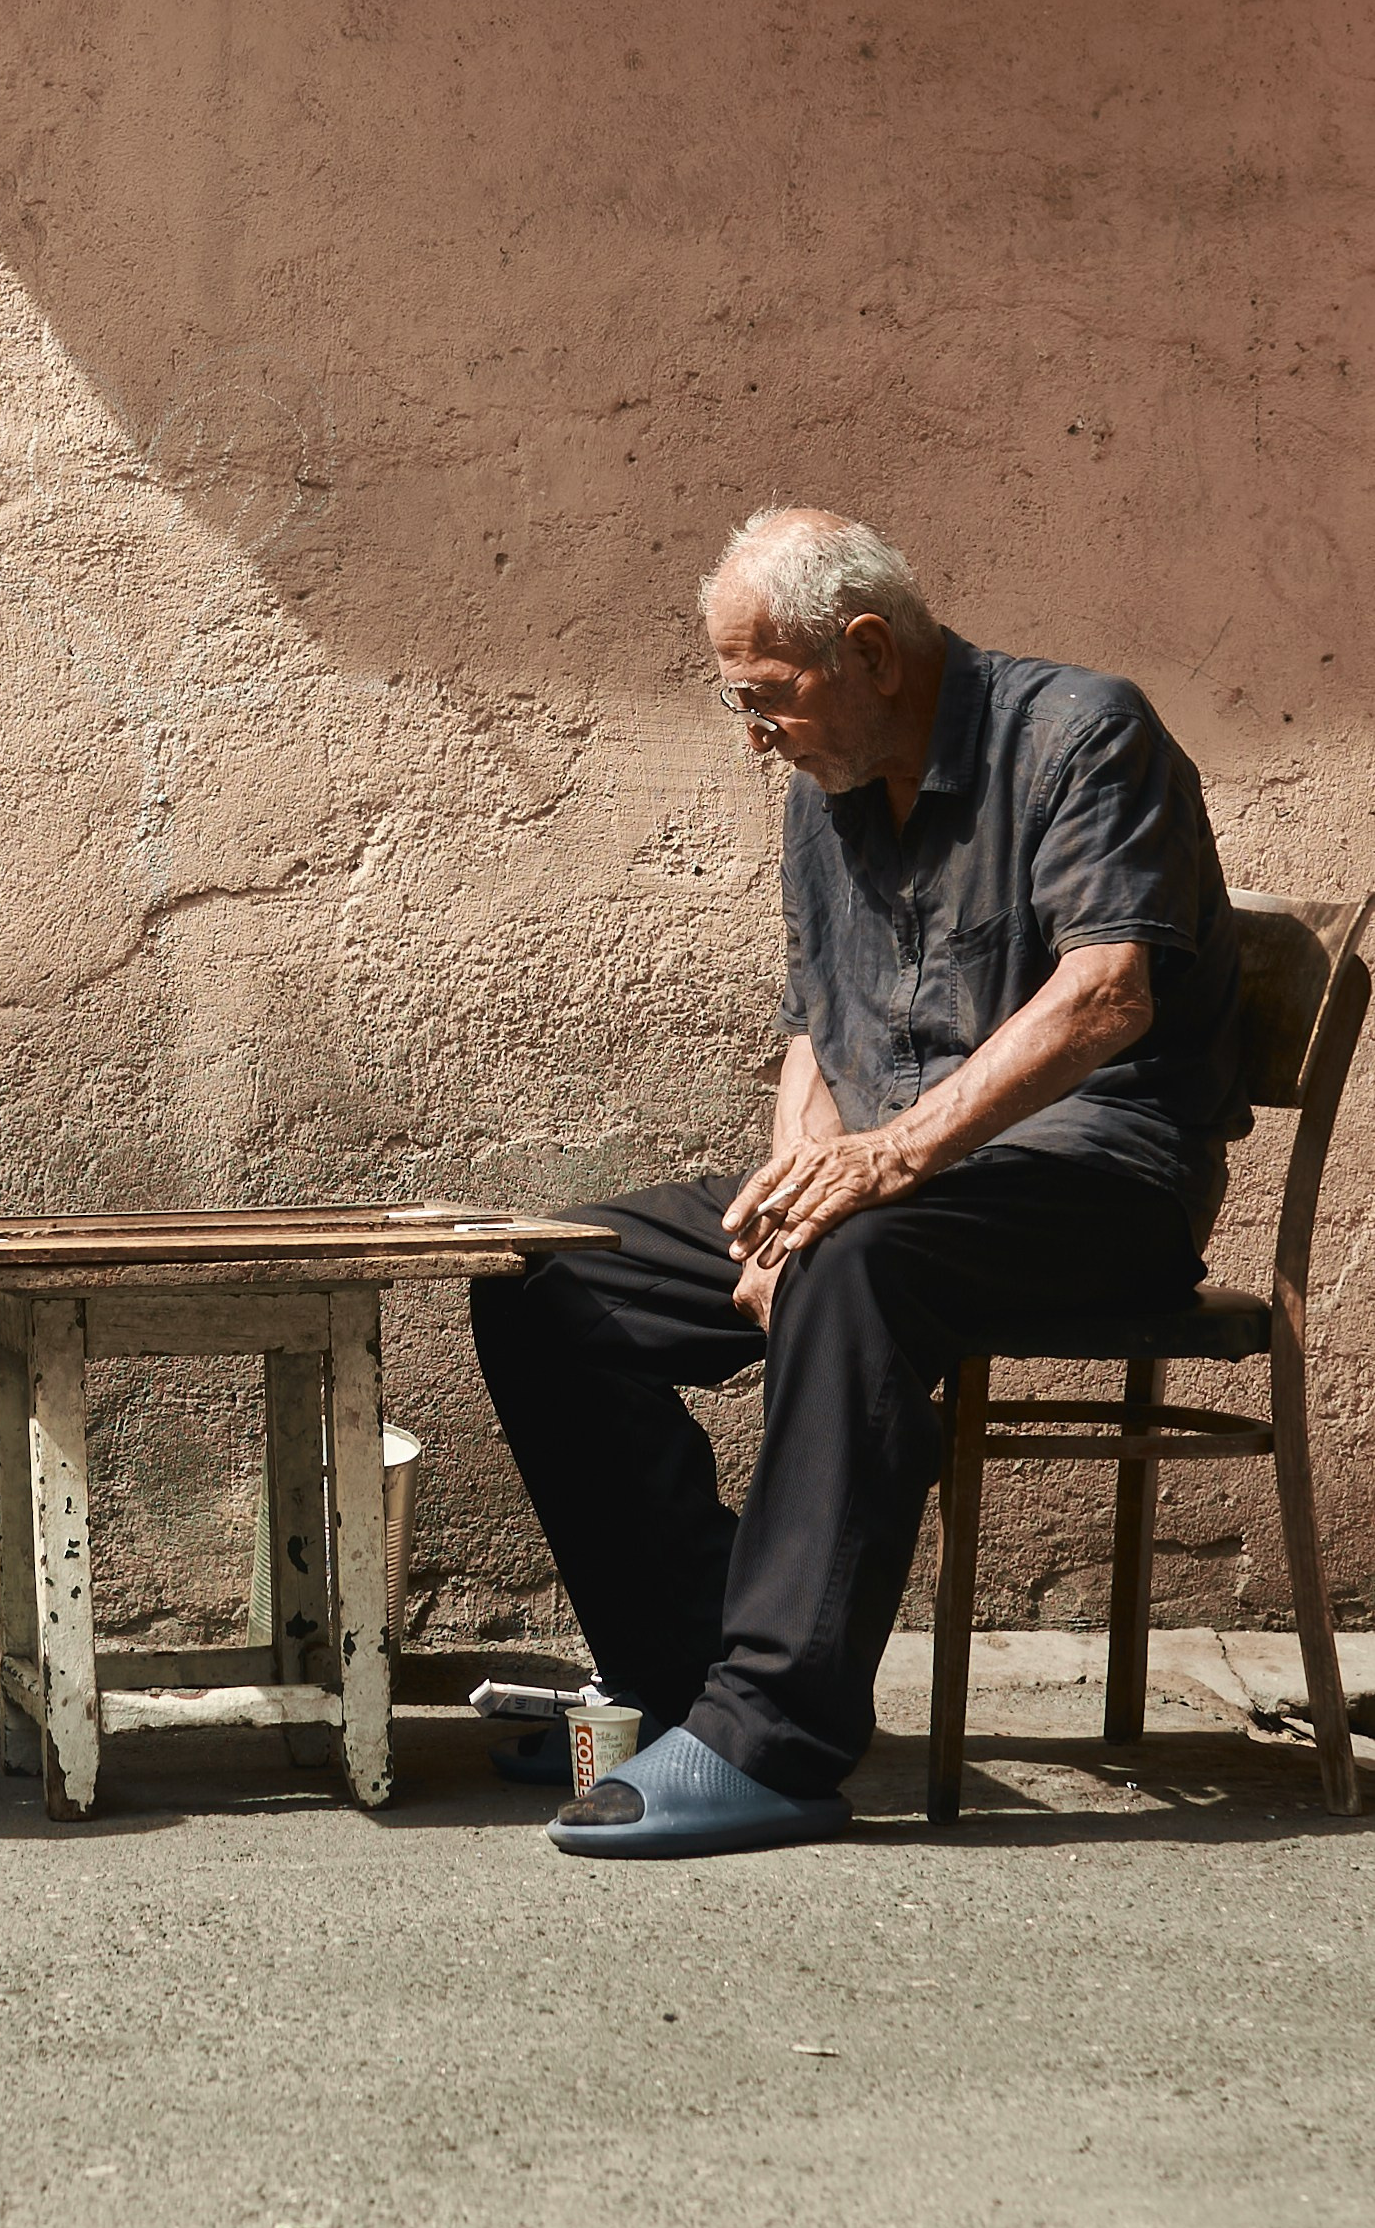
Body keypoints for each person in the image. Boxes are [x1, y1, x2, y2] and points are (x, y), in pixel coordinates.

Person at [472, 507, 1244, 1861]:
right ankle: (691, 1673)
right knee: (546, 1275)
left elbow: (1106, 997)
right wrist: (790, 1188)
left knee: (855, 1261)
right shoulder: (822, 800)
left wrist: (877, 1169)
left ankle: (773, 1741)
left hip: (1099, 1180)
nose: (754, 735)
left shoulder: (1079, 735)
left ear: (869, 650)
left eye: (765, 699)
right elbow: (817, 1035)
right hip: (893, 1192)